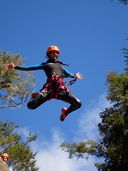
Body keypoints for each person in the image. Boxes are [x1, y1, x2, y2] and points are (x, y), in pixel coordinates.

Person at [7, 45, 83, 121]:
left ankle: (65, 113)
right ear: (49, 54)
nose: (55, 54)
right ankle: (35, 96)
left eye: (56, 53)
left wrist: (74, 76)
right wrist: (15, 67)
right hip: (48, 90)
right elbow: (30, 67)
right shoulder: (46, 65)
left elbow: (67, 73)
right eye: (52, 53)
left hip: (61, 90)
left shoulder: (60, 66)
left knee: (78, 104)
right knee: (30, 105)